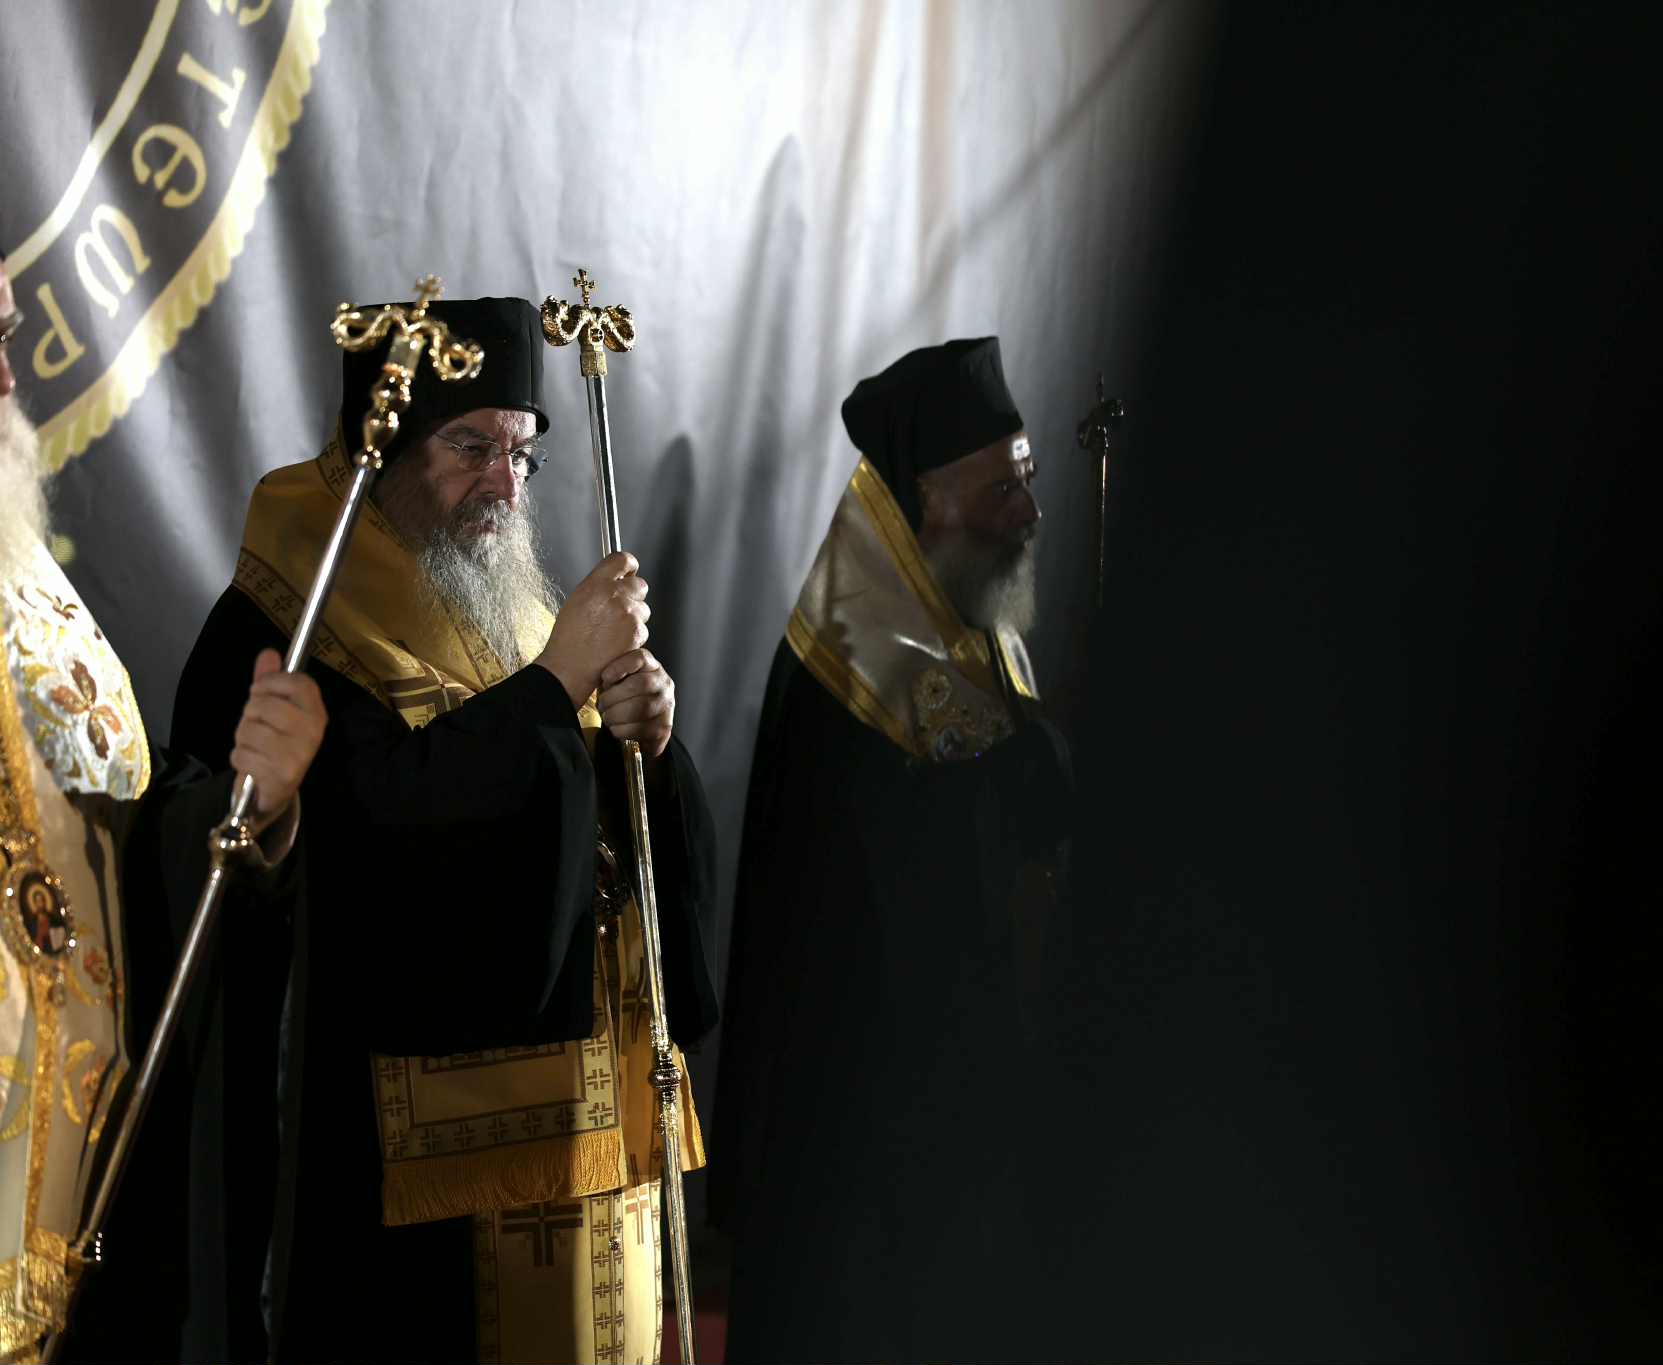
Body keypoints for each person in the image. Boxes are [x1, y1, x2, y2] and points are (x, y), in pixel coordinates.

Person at [169, 296, 719, 1363]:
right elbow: (376, 851)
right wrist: (554, 686)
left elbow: (601, 853)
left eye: (522, 455)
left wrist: (644, 750)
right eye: (470, 448)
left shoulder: (511, 609)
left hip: (578, 1143)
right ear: (386, 457)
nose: (504, 484)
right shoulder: (289, 621)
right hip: (392, 1184)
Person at [711, 337, 1075, 1361]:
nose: (1030, 511)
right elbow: (882, 916)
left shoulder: (971, 616)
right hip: (861, 1139)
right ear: (924, 503)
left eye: (1029, 476)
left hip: (963, 1126)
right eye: (1001, 488)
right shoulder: (845, 671)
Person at [0, 257, 326, 1361]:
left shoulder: (19, 564)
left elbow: (109, 828)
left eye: (7, 341)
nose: (9, 384)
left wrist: (249, 807)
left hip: (82, 1184)